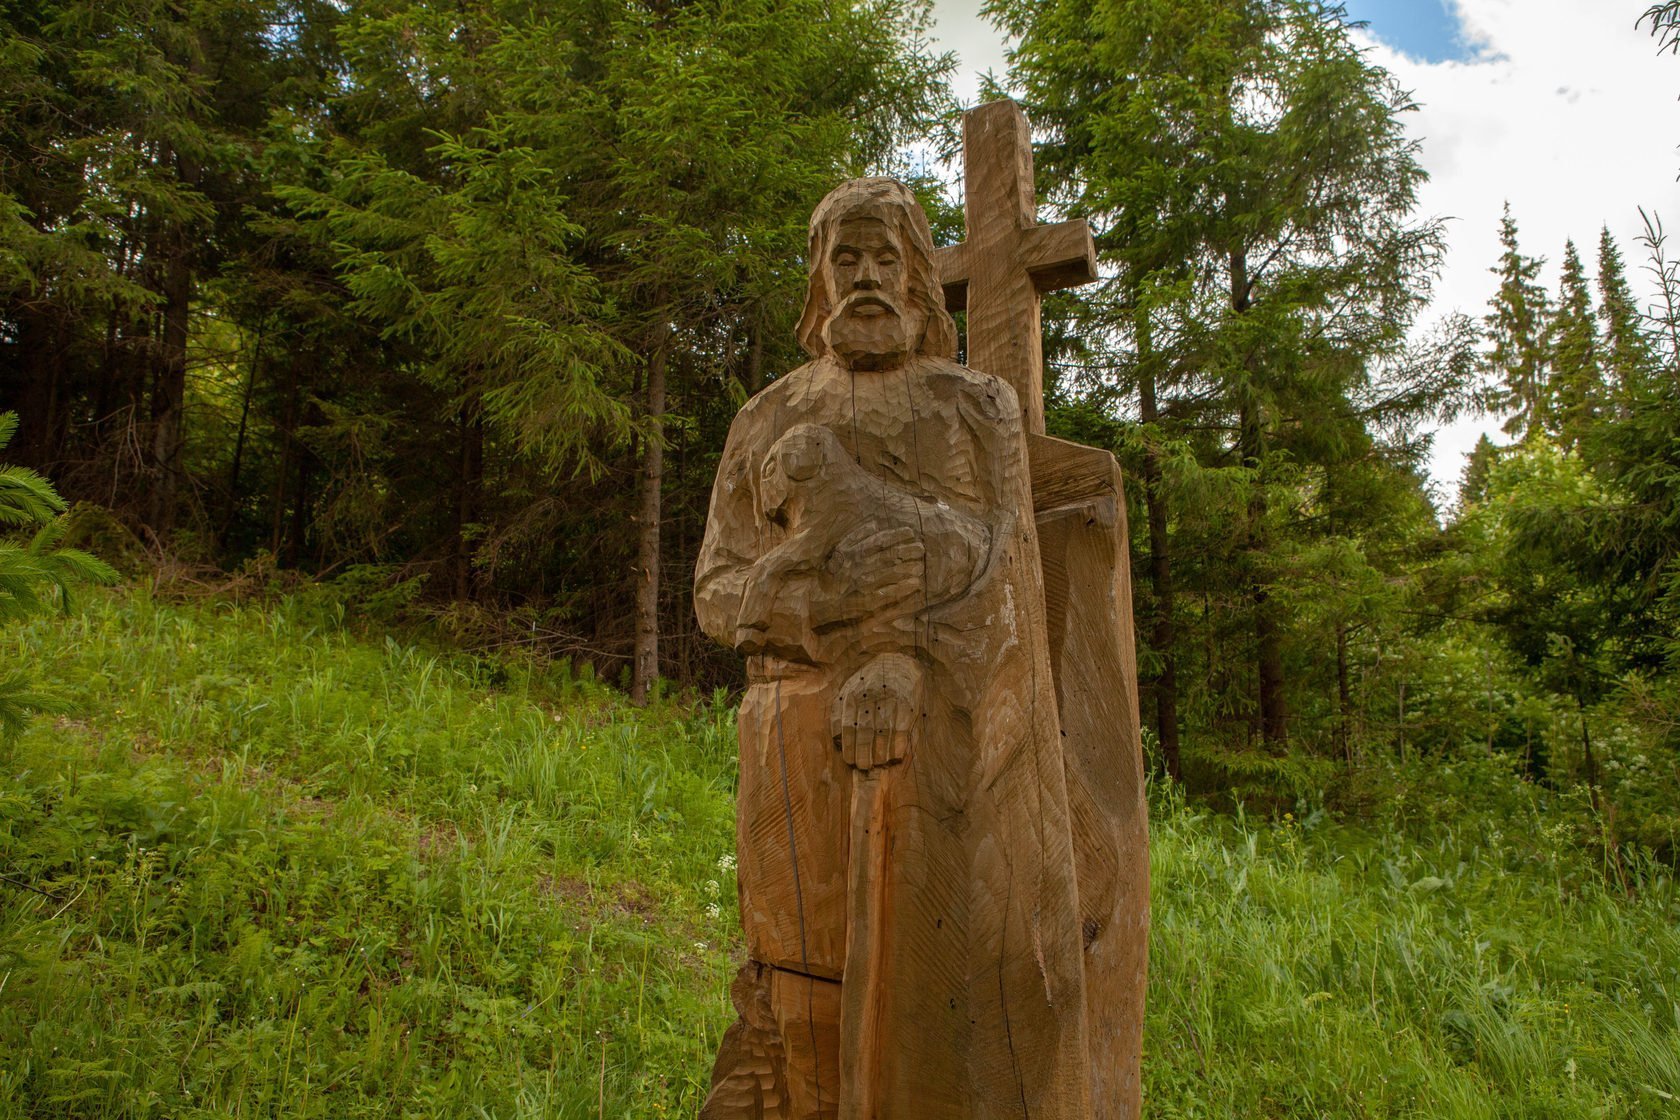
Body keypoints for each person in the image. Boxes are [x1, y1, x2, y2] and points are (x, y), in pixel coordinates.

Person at [695, 178, 1095, 1119]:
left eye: (887, 258)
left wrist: (904, 657)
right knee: (795, 970)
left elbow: (1008, 575)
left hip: (949, 754)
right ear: (819, 278)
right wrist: (816, 605)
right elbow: (717, 588)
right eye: (846, 257)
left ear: (918, 280)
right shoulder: (768, 418)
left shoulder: (973, 407)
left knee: (940, 993)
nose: (867, 278)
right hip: (787, 748)